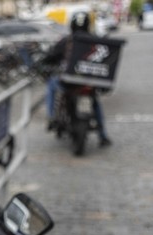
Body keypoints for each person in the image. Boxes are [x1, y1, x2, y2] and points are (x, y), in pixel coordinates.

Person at [44, 11, 112, 146]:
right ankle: (102, 134)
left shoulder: (66, 41)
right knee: (95, 103)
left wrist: (45, 64)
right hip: (89, 83)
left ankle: (51, 117)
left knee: (51, 85)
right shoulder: (95, 41)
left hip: (68, 83)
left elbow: (50, 57)